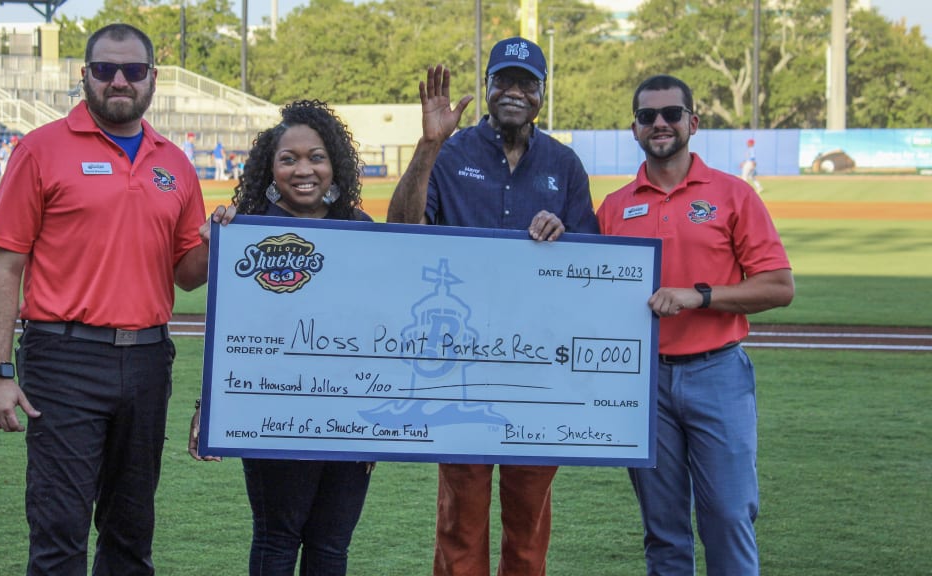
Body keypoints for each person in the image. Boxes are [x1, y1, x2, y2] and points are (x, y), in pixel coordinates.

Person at [0, 23, 215, 575]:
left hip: (148, 359)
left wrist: (220, 243)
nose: (118, 81)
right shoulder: (40, 149)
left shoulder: (174, 162)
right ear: (83, 75)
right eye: (105, 69)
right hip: (64, 358)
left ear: (152, 79)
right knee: (59, 530)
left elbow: (186, 274)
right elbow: (4, 266)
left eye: (132, 71)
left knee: (131, 532)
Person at [386, 37, 599, 576]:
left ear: (542, 94)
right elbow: (401, 232)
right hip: (460, 367)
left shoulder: (564, 164)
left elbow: (591, 267)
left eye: (527, 83)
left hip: (537, 369)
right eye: (503, 80)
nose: (514, 92)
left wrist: (565, 234)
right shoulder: (450, 154)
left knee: (528, 525)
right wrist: (429, 145)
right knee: (461, 519)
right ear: (487, 88)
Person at [596, 74, 794, 575]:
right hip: (645, 383)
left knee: (728, 516)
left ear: (693, 122)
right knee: (663, 529)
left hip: (718, 374)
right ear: (635, 130)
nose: (659, 124)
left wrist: (700, 296)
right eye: (647, 116)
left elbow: (778, 286)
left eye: (671, 114)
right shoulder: (615, 207)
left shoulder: (733, 195)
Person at [188, 99, 374, 576]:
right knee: (277, 540)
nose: (303, 169)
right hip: (273, 408)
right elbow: (231, 328)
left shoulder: (362, 230)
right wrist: (210, 404)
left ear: (335, 164)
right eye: (288, 159)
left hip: (351, 412)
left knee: (332, 545)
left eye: (316, 156)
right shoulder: (245, 230)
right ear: (270, 169)